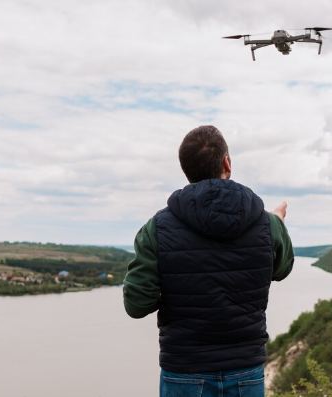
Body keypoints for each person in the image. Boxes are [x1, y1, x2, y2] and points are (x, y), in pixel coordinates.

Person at [123, 125, 294, 397]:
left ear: (187, 170)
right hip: (246, 369)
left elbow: (136, 304)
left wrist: (174, 291)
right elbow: (282, 269)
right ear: (227, 162)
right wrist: (278, 224)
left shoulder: (156, 229)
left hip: (183, 370)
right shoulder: (266, 223)